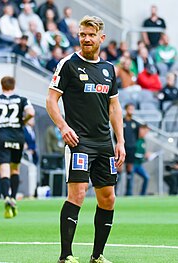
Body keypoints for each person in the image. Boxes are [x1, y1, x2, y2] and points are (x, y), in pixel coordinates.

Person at [46, 15, 125, 263]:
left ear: (101, 38)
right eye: (82, 34)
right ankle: (66, 255)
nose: (86, 39)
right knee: (78, 194)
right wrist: (62, 126)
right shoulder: (68, 64)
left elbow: (115, 108)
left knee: (108, 198)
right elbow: (50, 100)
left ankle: (97, 255)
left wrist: (120, 141)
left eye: (91, 35)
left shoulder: (109, 69)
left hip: (104, 143)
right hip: (79, 141)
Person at [0, 76, 35, 218]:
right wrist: (23, 121)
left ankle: (5, 196)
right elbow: (31, 113)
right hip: (17, 136)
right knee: (15, 169)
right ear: (14, 85)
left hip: (2, 137)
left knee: (4, 169)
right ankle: (13, 197)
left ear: (2, 85)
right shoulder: (22, 99)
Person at [117, 103, 139, 196]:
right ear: (126, 110)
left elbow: (137, 136)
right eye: (129, 108)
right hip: (122, 148)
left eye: (132, 109)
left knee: (130, 169)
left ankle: (128, 192)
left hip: (131, 148)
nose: (131, 110)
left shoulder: (135, 123)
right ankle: (115, 191)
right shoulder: (121, 122)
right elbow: (116, 135)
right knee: (119, 169)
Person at [133, 124, 150, 196]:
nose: (145, 133)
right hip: (132, 163)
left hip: (139, 164)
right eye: (145, 131)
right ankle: (128, 194)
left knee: (146, 177)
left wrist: (147, 155)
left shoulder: (143, 141)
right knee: (129, 179)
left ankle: (142, 195)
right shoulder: (134, 139)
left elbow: (143, 152)